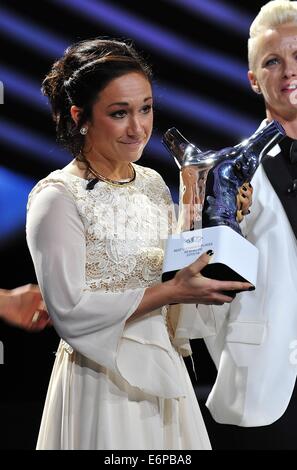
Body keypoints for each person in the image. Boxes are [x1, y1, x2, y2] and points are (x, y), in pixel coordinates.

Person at [26, 38, 252, 450]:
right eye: (119, 113)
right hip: (101, 386)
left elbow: (176, 270)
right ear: (80, 117)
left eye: (145, 108)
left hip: (164, 374)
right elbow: (69, 312)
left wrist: (211, 210)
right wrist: (173, 290)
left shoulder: (149, 183)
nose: (138, 128)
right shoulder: (56, 197)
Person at [202, 0, 297, 430]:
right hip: (264, 383)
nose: (289, 71)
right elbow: (208, 288)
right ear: (254, 80)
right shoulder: (226, 171)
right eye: (273, 61)